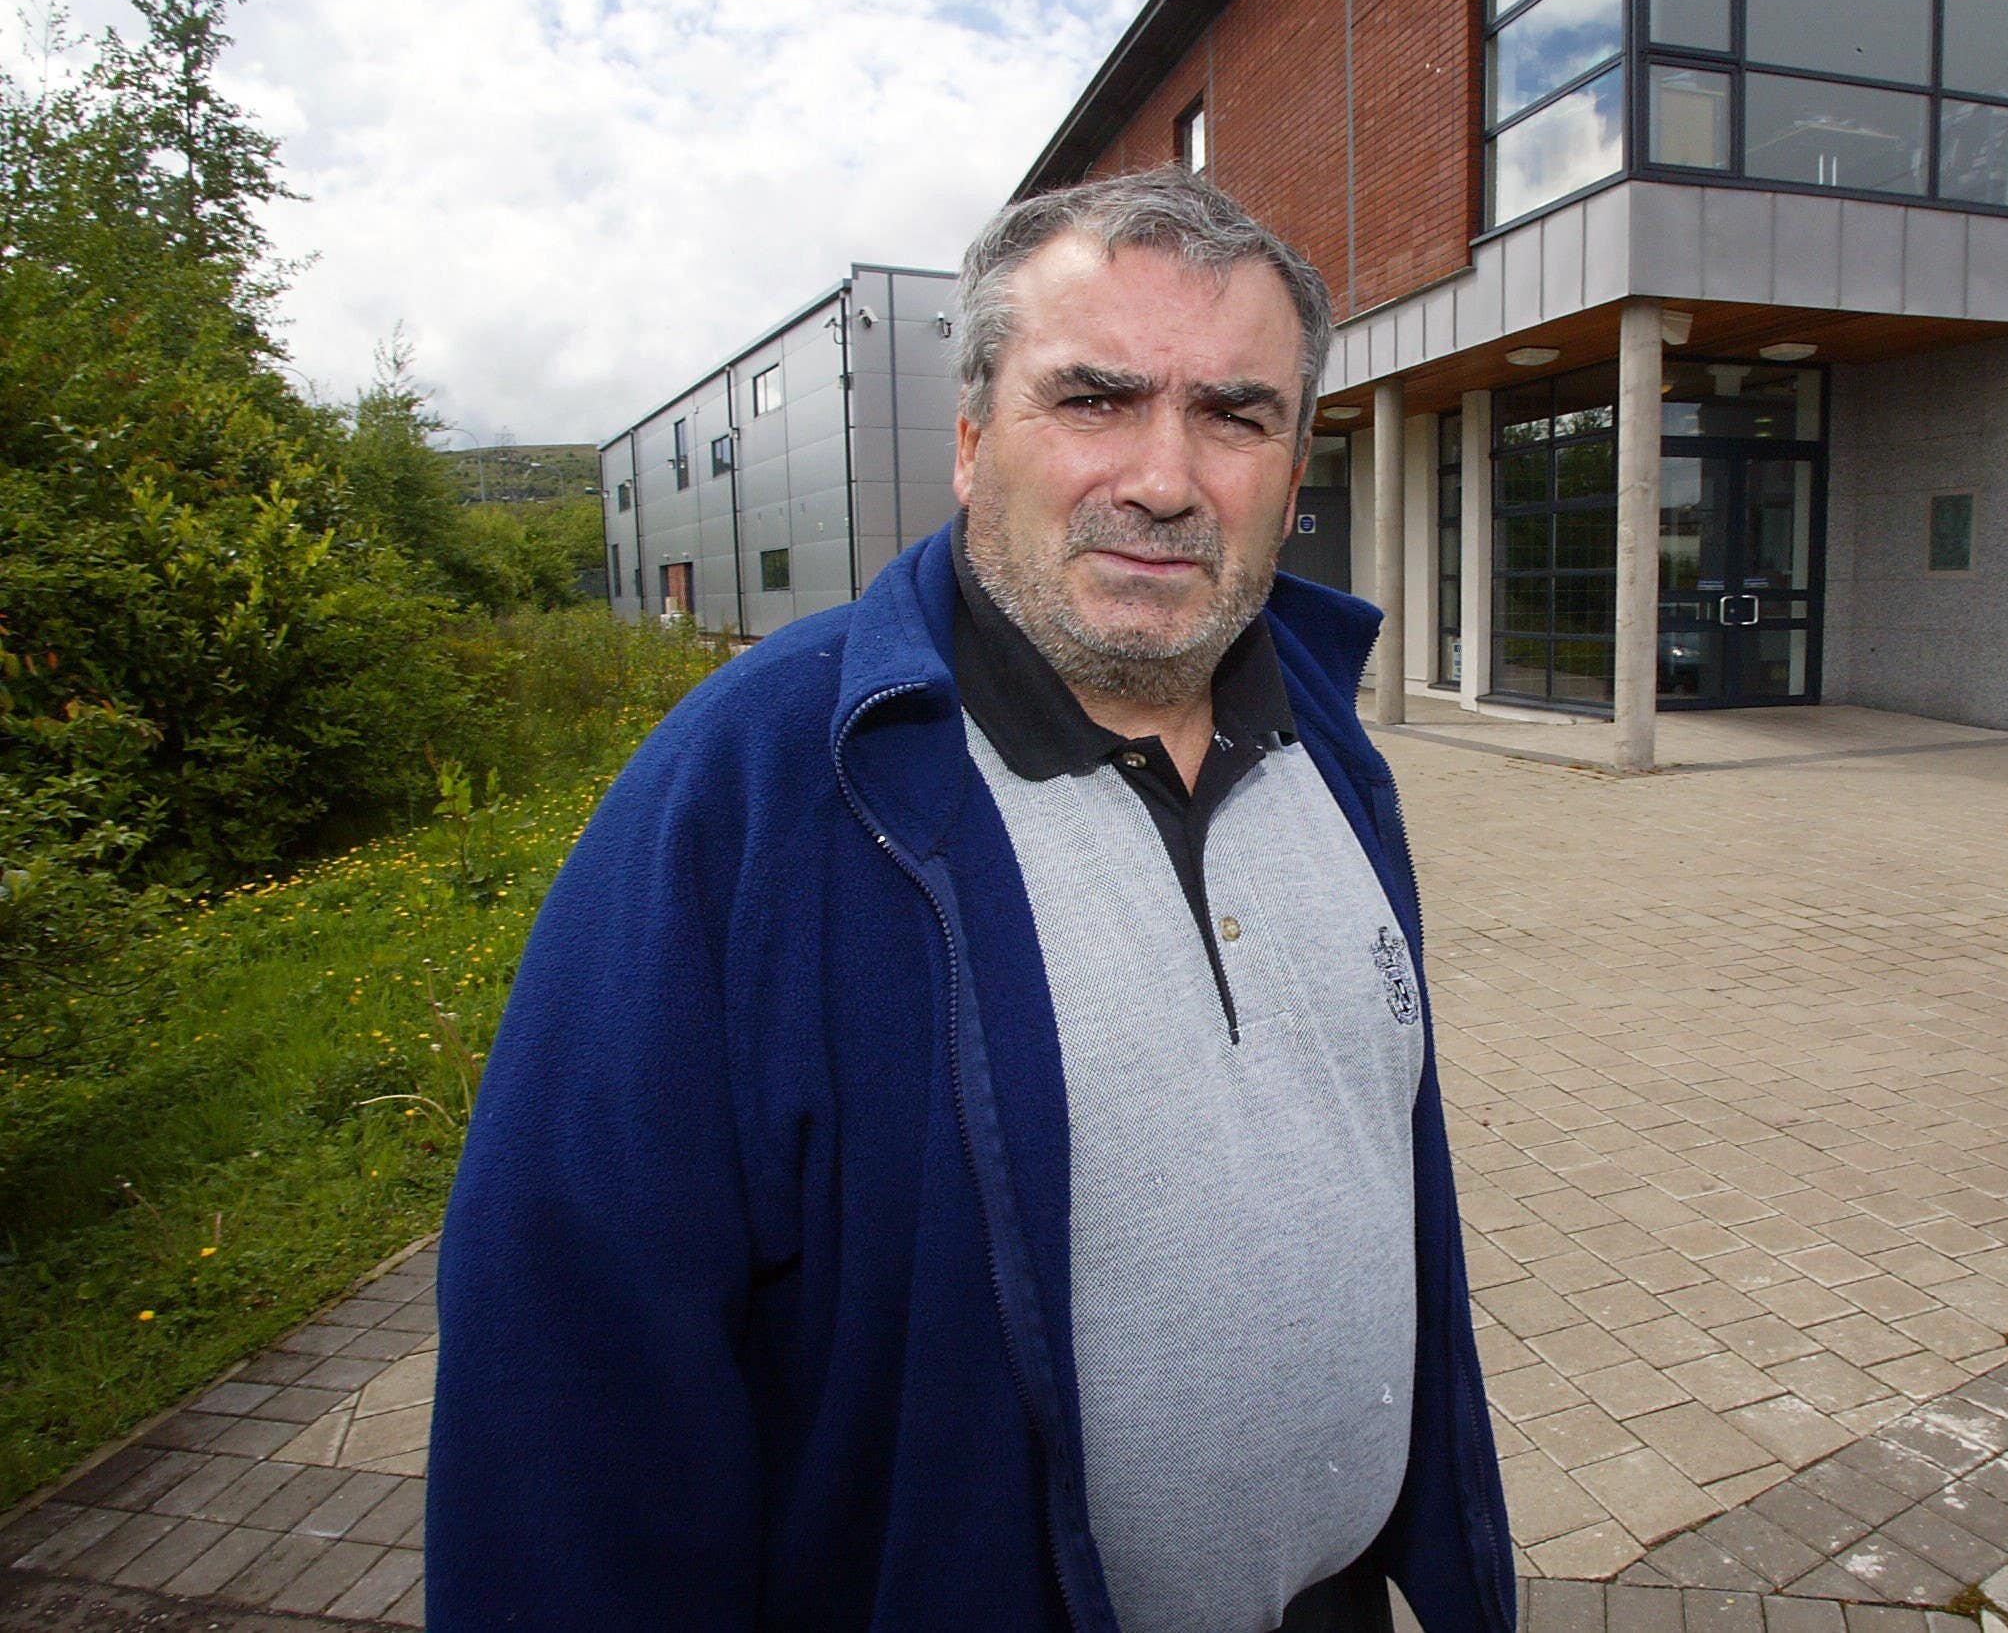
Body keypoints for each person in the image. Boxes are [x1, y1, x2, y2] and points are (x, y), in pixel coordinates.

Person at [426, 164, 1514, 1633]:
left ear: (1293, 463)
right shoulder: (756, 790)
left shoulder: (1328, 743)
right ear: (967, 440)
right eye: (1092, 400)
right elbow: (568, 1381)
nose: (1163, 477)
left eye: (1234, 414)